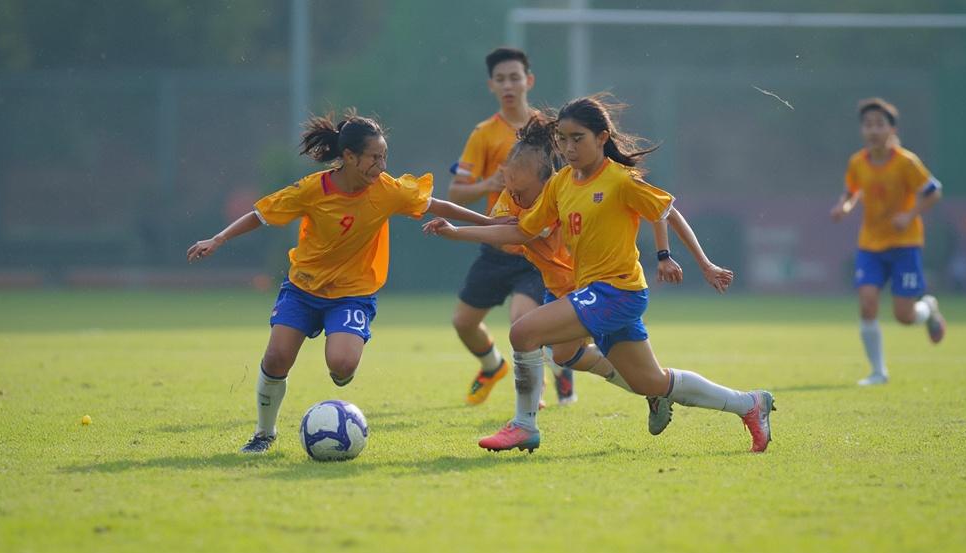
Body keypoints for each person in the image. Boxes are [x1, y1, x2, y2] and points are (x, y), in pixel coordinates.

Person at [426, 95, 775, 453]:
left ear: (602, 138)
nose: (569, 147)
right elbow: (521, 231)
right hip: (596, 291)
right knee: (649, 381)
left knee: (523, 332)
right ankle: (749, 404)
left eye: (578, 138)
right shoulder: (561, 182)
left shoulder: (620, 180)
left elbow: (667, 210)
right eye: (562, 139)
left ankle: (524, 425)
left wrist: (696, 262)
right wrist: (457, 232)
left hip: (617, 292)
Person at [187, 109, 499, 453]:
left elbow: (437, 205)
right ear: (349, 157)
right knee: (276, 357)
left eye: (384, 157)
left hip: (353, 294)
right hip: (304, 288)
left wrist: (489, 222)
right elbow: (260, 215)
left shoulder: (387, 190)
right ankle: (264, 434)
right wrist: (217, 239)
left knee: (342, 366)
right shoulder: (312, 189)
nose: (381, 166)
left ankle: (342, 361)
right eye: (374, 158)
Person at [431, 115, 684, 440]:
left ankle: (526, 418)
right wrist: (447, 217)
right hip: (555, 284)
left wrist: (666, 255)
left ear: (545, 180)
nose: (511, 195)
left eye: (518, 188)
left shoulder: (560, 193)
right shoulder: (516, 192)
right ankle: (649, 389)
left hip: (584, 287)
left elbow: (517, 232)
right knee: (568, 354)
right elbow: (501, 225)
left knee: (525, 328)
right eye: (508, 185)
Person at [447, 47, 574, 406]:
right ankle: (492, 366)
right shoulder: (483, 134)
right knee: (463, 323)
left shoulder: (550, 132)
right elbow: (456, 191)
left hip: (536, 247)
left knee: (524, 319)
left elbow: (569, 179)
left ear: (528, 80)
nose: (508, 85)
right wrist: (486, 186)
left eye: (515, 77)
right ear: (491, 85)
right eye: (500, 79)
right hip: (498, 244)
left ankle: (540, 391)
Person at [830, 98, 946, 386]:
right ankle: (878, 372)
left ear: (891, 128)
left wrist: (909, 215)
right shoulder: (857, 162)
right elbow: (851, 191)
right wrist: (843, 207)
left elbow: (934, 191)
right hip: (870, 244)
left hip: (905, 245)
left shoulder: (906, 162)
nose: (873, 130)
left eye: (879, 124)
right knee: (867, 304)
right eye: (868, 125)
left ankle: (928, 308)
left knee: (904, 316)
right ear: (862, 131)